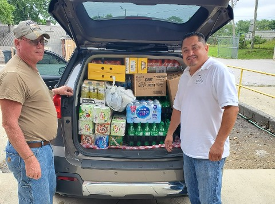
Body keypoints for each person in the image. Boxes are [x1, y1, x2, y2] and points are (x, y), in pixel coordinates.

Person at [0, 20, 73, 204]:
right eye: (33, 41)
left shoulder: (29, 67)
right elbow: (9, 123)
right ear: (17, 43)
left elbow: (34, 96)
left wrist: (56, 91)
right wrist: (29, 159)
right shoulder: (14, 74)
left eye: (42, 40)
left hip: (43, 148)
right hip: (31, 151)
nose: (40, 45)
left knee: (45, 198)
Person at [165, 32, 239, 204]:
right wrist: (170, 133)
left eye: (194, 48)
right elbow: (178, 108)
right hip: (188, 150)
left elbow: (232, 109)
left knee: (209, 200)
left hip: (209, 153)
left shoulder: (217, 71)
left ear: (206, 48)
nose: (190, 53)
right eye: (185, 50)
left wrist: (219, 143)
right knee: (195, 198)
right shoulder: (185, 74)